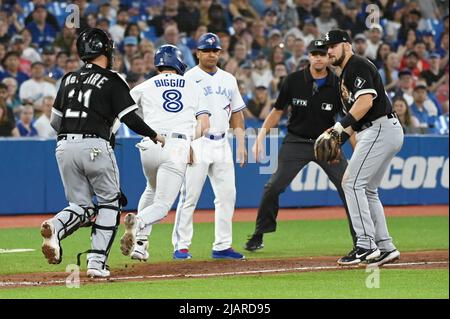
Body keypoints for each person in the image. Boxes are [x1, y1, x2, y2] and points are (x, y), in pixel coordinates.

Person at [39, 28, 164, 278]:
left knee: (81, 206)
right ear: (105, 50)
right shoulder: (112, 79)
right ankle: (96, 263)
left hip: (64, 146)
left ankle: (55, 226)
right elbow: (129, 116)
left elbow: (55, 122)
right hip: (95, 145)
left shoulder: (68, 79)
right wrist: (153, 134)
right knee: (109, 203)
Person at [244, 40, 356, 252]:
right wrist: (260, 138)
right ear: (309, 56)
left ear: (328, 57)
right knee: (273, 186)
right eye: (314, 54)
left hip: (327, 143)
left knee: (349, 187)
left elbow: (350, 119)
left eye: (322, 54)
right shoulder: (292, 80)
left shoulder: (338, 83)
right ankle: (259, 234)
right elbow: (277, 112)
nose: (318, 58)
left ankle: (360, 239)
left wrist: (357, 149)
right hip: (295, 141)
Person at [119, 45, 211, 261]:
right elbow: (204, 125)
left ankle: (140, 246)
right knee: (162, 205)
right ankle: (138, 222)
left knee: (151, 189)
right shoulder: (193, 85)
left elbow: (122, 113)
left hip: (150, 143)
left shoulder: (145, 86)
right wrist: (187, 140)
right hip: (177, 145)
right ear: (179, 63)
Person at [324, 29, 403, 266]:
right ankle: (385, 246)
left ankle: (366, 245)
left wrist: (338, 128)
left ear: (346, 46)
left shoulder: (356, 65)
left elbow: (365, 103)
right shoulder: (344, 75)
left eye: (333, 45)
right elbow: (355, 117)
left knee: (351, 183)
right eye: (327, 47)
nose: (329, 51)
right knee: (367, 189)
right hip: (378, 129)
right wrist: (337, 139)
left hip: (378, 128)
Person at [171, 33, 247, 260]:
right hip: (198, 141)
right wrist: (187, 143)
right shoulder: (187, 77)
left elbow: (236, 114)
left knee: (227, 196)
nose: (212, 54)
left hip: (222, 142)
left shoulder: (228, 79)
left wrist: (241, 144)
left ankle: (222, 245)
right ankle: (181, 245)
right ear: (198, 53)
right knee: (190, 196)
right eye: (207, 50)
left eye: (216, 50)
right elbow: (181, 114)